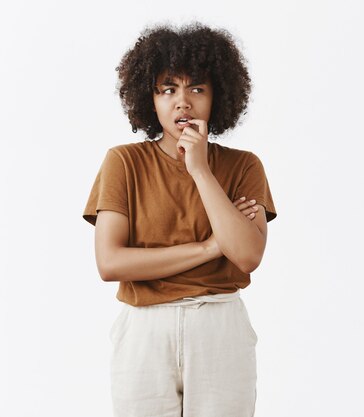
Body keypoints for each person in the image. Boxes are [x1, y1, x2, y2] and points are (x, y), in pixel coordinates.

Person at [82, 21, 277, 417]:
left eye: (197, 89)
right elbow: (111, 263)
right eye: (168, 89)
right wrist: (210, 246)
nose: (182, 102)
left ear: (217, 96)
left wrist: (201, 170)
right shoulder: (124, 162)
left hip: (220, 324)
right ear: (149, 99)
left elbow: (247, 256)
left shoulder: (243, 166)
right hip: (144, 329)